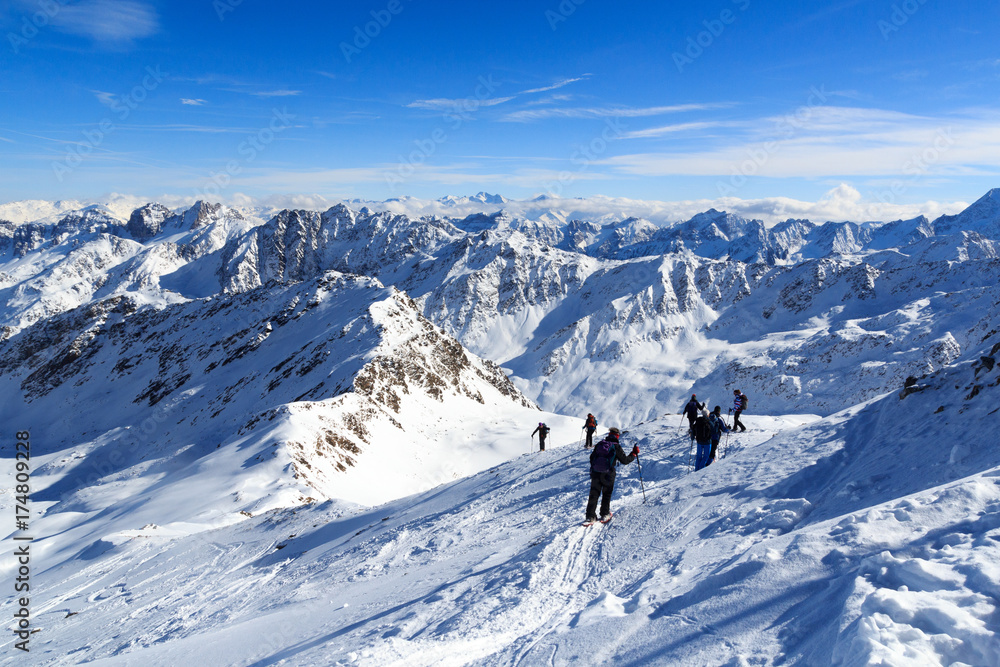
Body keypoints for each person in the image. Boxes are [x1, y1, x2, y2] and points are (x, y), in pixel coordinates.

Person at [585, 427, 638, 523]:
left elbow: (592, 457)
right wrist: (633, 454)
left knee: (594, 494)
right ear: (617, 436)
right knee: (606, 494)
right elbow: (625, 460)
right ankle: (605, 514)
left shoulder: (600, 444)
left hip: (596, 473)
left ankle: (590, 516)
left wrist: (596, 468)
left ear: (609, 434)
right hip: (608, 474)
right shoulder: (616, 446)